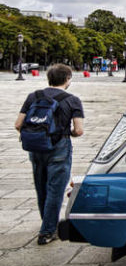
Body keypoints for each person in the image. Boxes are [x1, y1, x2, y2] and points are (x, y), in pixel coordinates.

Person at [14, 64, 84, 245]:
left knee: (41, 187)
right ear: (68, 79)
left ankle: (46, 222)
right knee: (56, 190)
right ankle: (47, 231)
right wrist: (69, 133)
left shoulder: (34, 96)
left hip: (36, 147)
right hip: (59, 147)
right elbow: (79, 130)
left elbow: (18, 124)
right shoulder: (73, 100)